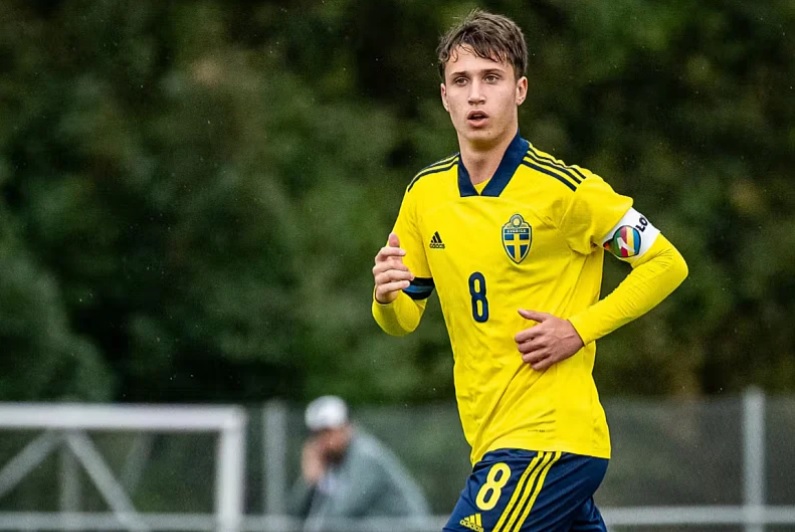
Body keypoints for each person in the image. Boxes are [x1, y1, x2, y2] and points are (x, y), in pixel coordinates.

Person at [371, 9, 688, 532]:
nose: (476, 95)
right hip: (492, 439)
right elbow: (403, 320)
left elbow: (666, 262)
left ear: (519, 90)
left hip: (546, 440)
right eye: (461, 81)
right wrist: (385, 298)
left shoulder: (567, 191)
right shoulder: (425, 195)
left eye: (491, 78)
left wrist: (578, 329)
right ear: (444, 96)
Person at [287, 395, 430, 532]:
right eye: (317, 434)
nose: (323, 440)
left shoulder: (365, 456)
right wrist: (311, 482)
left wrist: (322, 482)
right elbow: (294, 513)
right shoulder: (334, 462)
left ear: (348, 427)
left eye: (328, 432)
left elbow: (341, 514)